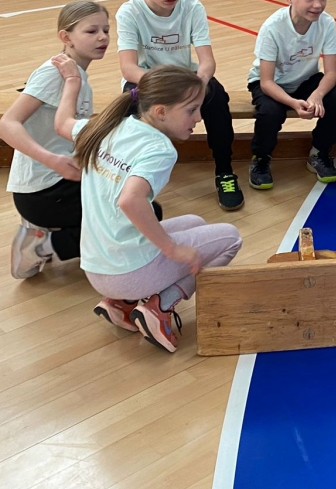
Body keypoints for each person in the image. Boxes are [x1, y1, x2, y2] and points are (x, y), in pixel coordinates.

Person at [53, 60, 241, 352]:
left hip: (95, 267)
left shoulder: (106, 127)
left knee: (194, 222)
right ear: (160, 111)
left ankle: (122, 304)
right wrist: (172, 249)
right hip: (128, 273)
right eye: (191, 110)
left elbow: (61, 122)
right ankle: (161, 305)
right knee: (230, 237)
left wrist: (72, 82)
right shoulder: (159, 149)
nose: (199, 117)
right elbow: (130, 200)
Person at [1, 0, 149, 279]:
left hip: (59, 181)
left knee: (139, 201)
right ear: (66, 37)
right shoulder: (54, 73)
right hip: (43, 191)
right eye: (91, 31)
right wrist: (52, 161)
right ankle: (41, 246)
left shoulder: (76, 75)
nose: (103, 37)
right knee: (139, 212)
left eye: (106, 30)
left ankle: (46, 232)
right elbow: (7, 125)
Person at [116, 0, 241, 210]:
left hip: (186, 79)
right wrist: (166, 88)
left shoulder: (193, 8)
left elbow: (207, 62)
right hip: (148, 80)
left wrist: (199, 86)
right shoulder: (129, 12)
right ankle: (132, 180)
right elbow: (128, 68)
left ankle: (225, 172)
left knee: (217, 97)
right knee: (129, 108)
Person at [247, 0, 336, 190]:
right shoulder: (272, 27)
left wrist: (317, 95)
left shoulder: (326, 23)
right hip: (271, 83)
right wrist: (294, 103)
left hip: (305, 80)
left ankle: (319, 152)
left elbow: (331, 73)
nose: (318, 4)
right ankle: (261, 158)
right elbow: (266, 82)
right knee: (270, 112)